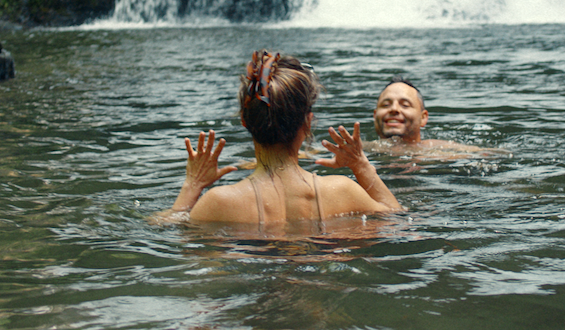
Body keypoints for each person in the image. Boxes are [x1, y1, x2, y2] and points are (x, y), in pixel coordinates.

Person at [163, 50, 402, 226]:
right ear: (307, 122)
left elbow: (165, 229)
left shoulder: (218, 204)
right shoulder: (343, 192)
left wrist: (192, 187)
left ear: (245, 121)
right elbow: (397, 221)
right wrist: (361, 166)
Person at [369, 76, 508, 157]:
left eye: (405, 105)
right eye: (385, 105)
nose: (394, 109)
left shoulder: (445, 151)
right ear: (375, 115)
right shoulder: (361, 150)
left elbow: (496, 155)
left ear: (423, 118)